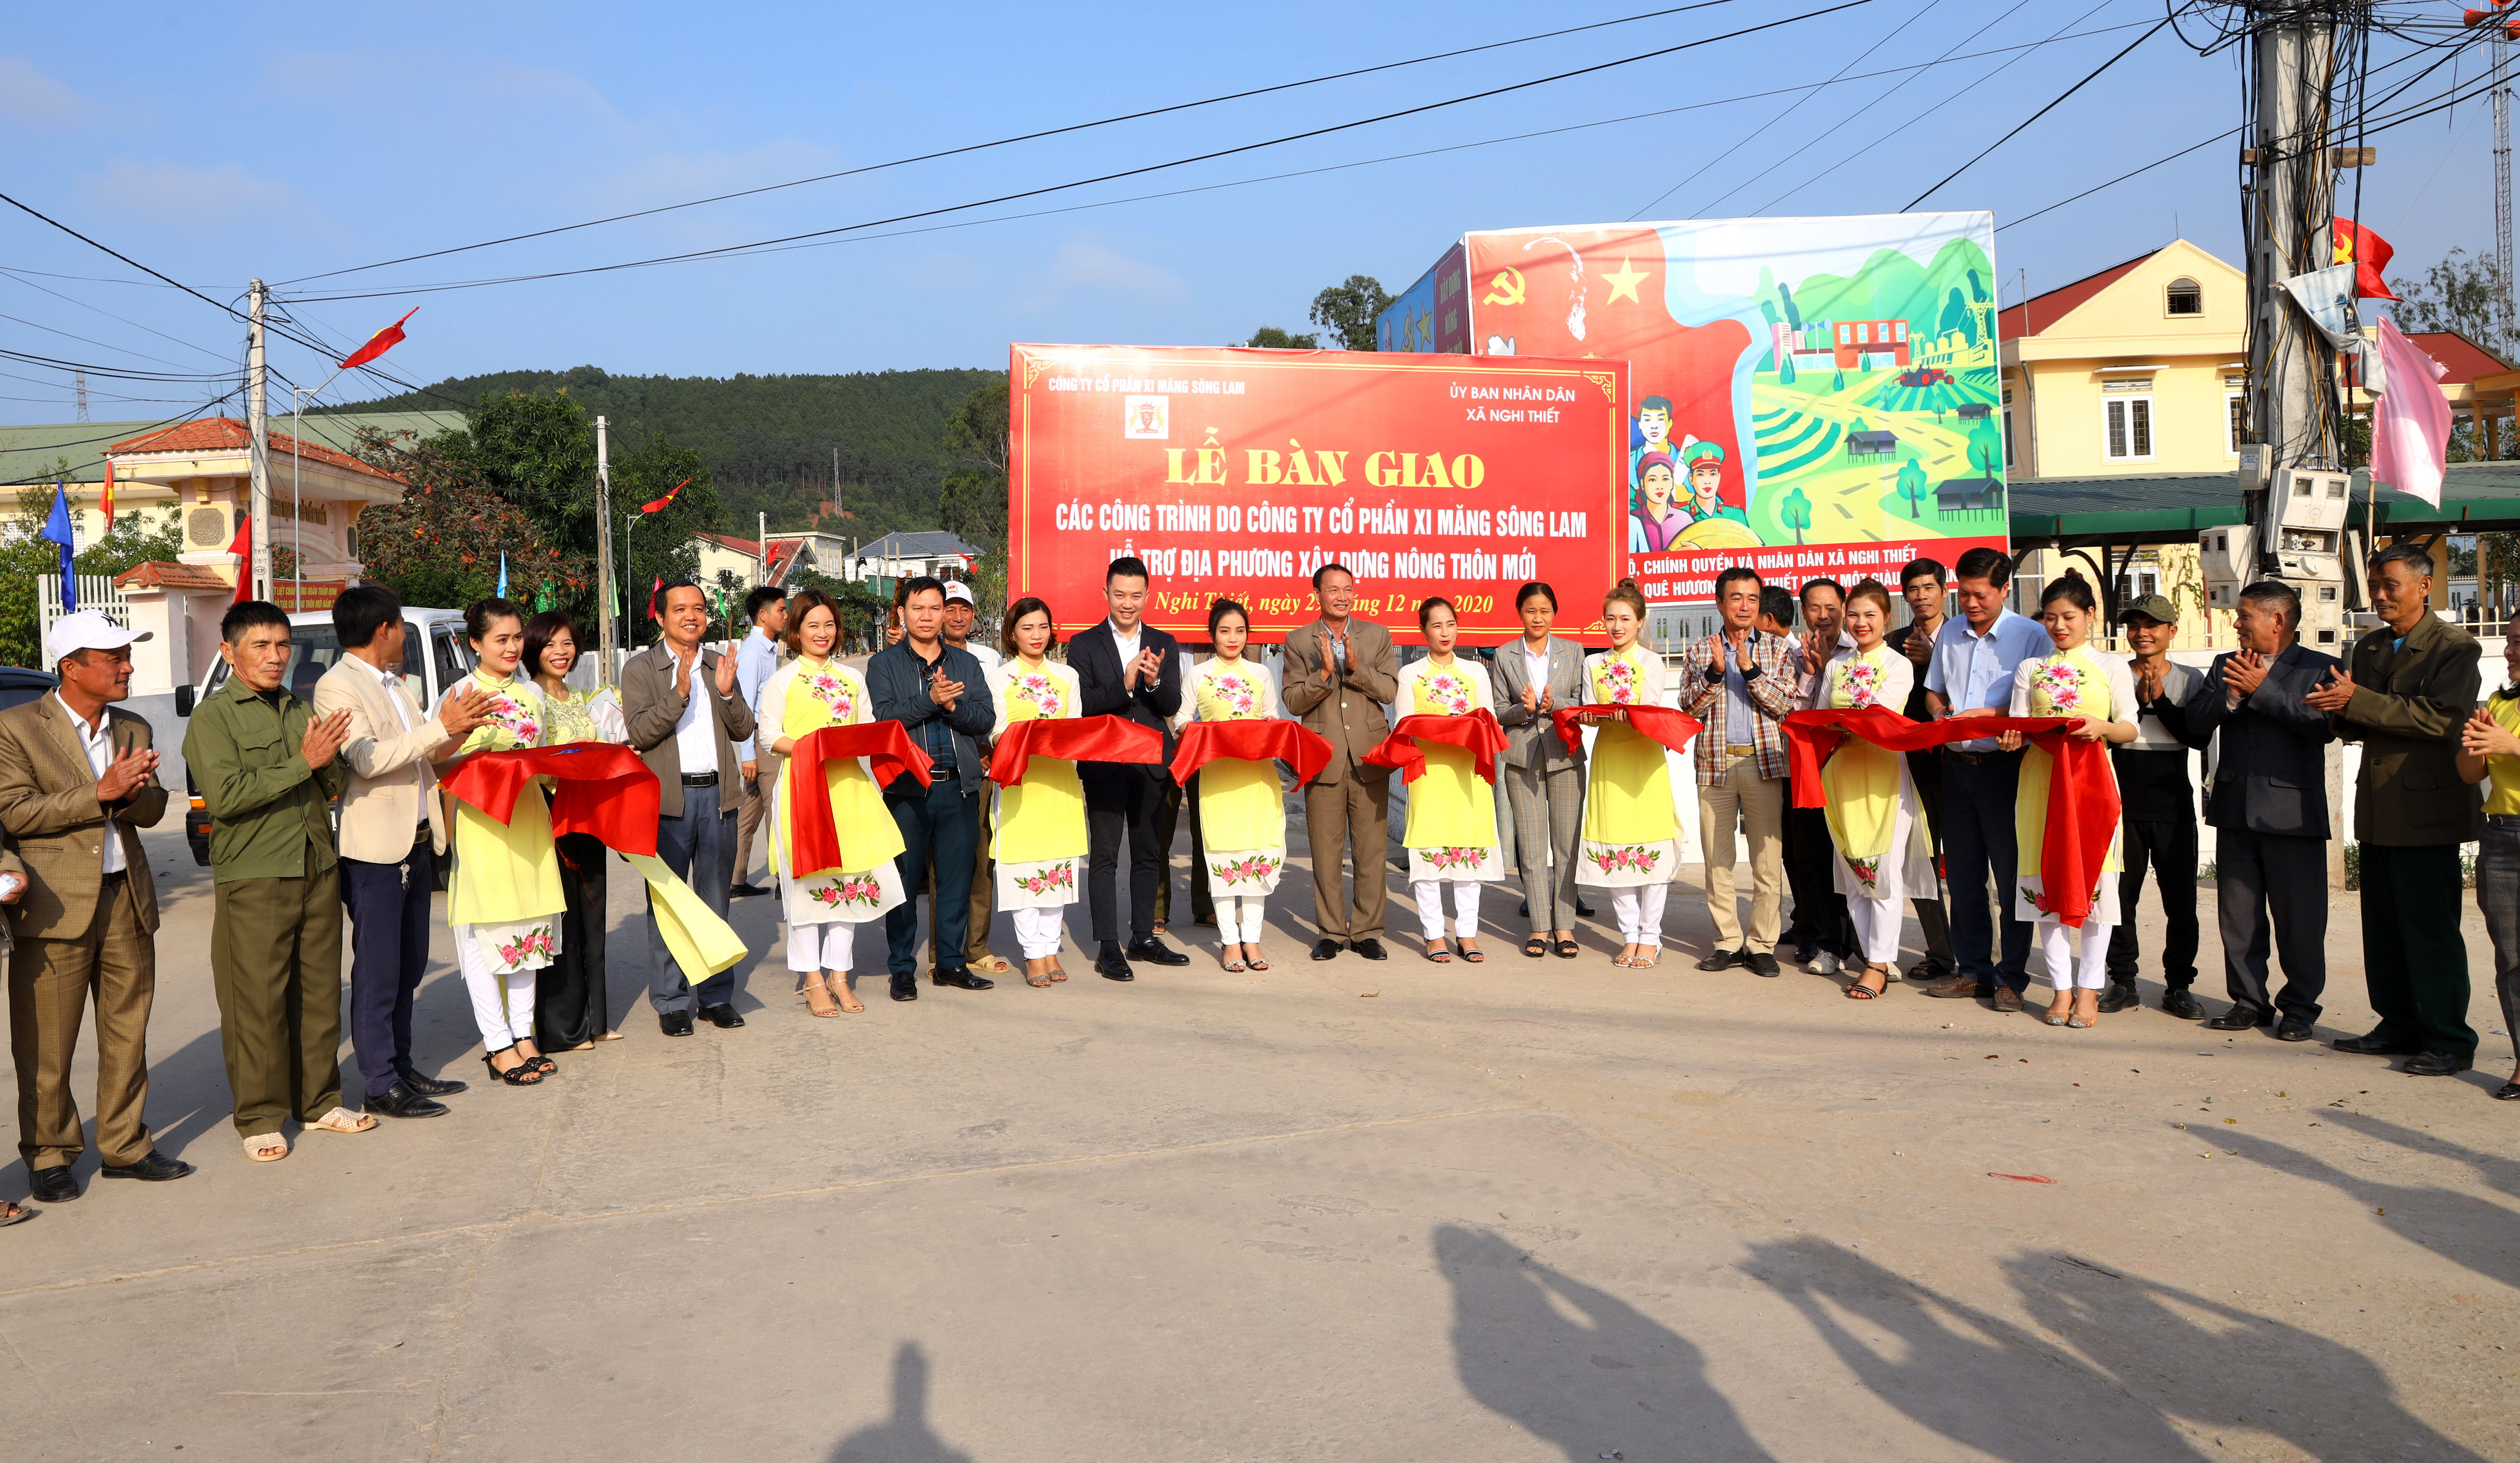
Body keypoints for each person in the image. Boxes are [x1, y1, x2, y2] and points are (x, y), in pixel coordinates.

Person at [0, 610, 190, 1199]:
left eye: (126, 657)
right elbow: (16, 811)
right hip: (54, 906)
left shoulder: (133, 726)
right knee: (47, 1043)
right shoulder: (17, 728)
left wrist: (134, 795)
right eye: (114, 660)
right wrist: (100, 793)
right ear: (71, 668)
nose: (128, 668)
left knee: (127, 1032)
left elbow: (154, 810)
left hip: (124, 897)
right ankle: (50, 1154)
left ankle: (126, 1145)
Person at [184, 600, 374, 1162]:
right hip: (256, 874)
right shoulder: (213, 718)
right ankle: (260, 1117)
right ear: (229, 652)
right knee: (256, 1002)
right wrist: (306, 763)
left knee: (317, 996)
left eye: (282, 645)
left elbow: (329, 783)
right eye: (260, 646)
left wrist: (332, 758)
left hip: (316, 866)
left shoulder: (298, 709)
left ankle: (318, 1103)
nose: (275, 657)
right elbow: (226, 796)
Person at [314, 586, 491, 1120]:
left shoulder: (395, 684)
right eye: (398, 628)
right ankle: (379, 1081)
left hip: (415, 840)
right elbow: (366, 760)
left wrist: (458, 736)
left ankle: (402, 1064)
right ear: (383, 629)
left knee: (409, 964)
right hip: (373, 853)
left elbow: (418, 759)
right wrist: (444, 726)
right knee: (377, 971)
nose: (403, 641)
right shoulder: (336, 686)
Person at [2311, 542, 2485, 1076]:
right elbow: (2365, 720)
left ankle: (2449, 1039)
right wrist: (2336, 710)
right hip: (2380, 808)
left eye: (2391, 585)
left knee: (2430, 930)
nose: (2381, 595)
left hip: (2428, 810)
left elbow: (2441, 720)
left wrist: (2356, 702)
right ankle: (2398, 1022)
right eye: (2375, 585)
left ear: (2425, 586)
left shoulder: (2454, 649)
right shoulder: (2369, 648)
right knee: (2382, 928)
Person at [2178, 582, 2337, 1039]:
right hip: (2234, 809)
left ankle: (2301, 1008)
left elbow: (2321, 727)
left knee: (2300, 919)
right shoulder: (2224, 665)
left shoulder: (2321, 667)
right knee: (2239, 917)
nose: (2236, 623)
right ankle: (2249, 1001)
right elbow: (2195, 724)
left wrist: (2263, 689)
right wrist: (2231, 698)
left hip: (2294, 812)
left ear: (2278, 621)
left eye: (2244, 615)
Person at [429, 599, 567, 1086]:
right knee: (485, 935)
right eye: (500, 640)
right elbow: (436, 761)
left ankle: (524, 1034)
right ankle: (497, 1044)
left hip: (529, 821)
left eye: (516, 638)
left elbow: (544, 757)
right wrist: (481, 749)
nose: (512, 648)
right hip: (483, 825)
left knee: (531, 929)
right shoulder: (460, 694)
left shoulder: (532, 694)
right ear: (475, 643)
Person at [1990, 575, 2139, 1028]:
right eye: (2050, 617)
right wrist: (2011, 740)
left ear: (2090, 616)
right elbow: (2019, 725)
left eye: (2069, 617)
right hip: (2040, 785)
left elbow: (2130, 728)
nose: (2059, 626)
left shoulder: (2112, 666)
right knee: (2044, 890)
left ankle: (2090, 991)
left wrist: (2102, 726)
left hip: (2092, 786)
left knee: (2097, 890)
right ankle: (2060, 990)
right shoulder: (2029, 668)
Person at [758, 587, 905, 1014]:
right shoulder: (782, 681)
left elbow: (866, 728)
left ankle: (840, 975)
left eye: (829, 625)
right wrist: (813, 748)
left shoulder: (852, 678)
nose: (822, 633)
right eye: (812, 625)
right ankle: (812, 980)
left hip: (850, 789)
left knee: (851, 884)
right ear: (796, 632)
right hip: (804, 788)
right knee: (808, 885)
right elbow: (769, 736)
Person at [1922, 546, 2054, 1012]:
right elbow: (1935, 692)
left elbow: (2042, 702)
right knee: (1962, 876)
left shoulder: (2032, 636)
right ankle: (1972, 970)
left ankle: (2011, 978)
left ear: (2004, 589)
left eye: (1981, 595)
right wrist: (1943, 715)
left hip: (2006, 771)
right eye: (1964, 594)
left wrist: (1987, 717)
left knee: (2012, 876)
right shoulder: (1952, 633)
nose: (1970, 604)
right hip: (1957, 770)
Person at [622, 580, 758, 1035]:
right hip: (668, 803)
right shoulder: (642, 668)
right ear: (660, 617)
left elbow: (744, 730)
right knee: (668, 904)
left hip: (719, 798)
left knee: (715, 901)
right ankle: (672, 1000)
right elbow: (640, 733)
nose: (691, 616)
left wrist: (724, 693)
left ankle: (716, 996)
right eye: (679, 609)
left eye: (698, 608)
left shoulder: (720, 664)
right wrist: (678, 695)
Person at [867, 576, 998, 1000]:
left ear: (946, 613)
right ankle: (902, 968)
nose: (927, 616)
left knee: (957, 880)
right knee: (904, 882)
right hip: (908, 789)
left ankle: (951, 963)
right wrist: (932, 699)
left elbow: (984, 720)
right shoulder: (884, 664)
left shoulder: (965, 665)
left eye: (935, 608)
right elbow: (886, 719)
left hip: (959, 788)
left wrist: (954, 705)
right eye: (918, 608)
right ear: (903, 614)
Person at [1806, 581, 1937, 999]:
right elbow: (1820, 716)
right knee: (1853, 873)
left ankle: (1881, 962)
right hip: (1841, 775)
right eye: (1855, 615)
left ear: (1887, 619)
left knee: (1882, 872)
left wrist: (1841, 724)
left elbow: (1882, 717)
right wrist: (1834, 726)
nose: (1861, 623)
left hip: (1883, 778)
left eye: (1871, 615)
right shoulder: (1836, 666)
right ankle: (1870, 957)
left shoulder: (1899, 666)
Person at [1068, 556, 1190, 980]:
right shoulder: (1083, 645)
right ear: (1105, 594)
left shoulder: (1163, 642)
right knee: (1104, 857)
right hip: (1105, 762)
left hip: (1152, 763)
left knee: (1147, 854)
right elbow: (1082, 706)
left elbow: (1172, 705)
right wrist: (1124, 684)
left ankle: (1143, 937)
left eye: (1136, 596)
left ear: (1147, 596)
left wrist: (1154, 682)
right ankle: (1108, 946)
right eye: (1119, 595)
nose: (1127, 603)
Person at [1679, 567, 1795, 976]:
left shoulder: (1778, 650)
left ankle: (1762, 945)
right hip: (1715, 762)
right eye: (1736, 598)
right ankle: (1728, 942)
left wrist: (1749, 669)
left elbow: (1784, 704)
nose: (1744, 606)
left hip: (1763, 761)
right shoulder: (1698, 650)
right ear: (1720, 603)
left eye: (1751, 599)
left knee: (1767, 860)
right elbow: (1689, 709)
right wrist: (1714, 673)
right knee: (1718, 859)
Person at [1282, 563, 1401, 962]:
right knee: (1326, 850)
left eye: (1348, 589)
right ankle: (1331, 932)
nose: (1342, 596)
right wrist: (1324, 675)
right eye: (1333, 589)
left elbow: (1388, 691)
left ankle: (1368, 931)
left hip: (1369, 756)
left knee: (1371, 851)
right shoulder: (1299, 640)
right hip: (1323, 755)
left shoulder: (1377, 635)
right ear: (1317, 594)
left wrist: (1354, 668)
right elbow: (1294, 701)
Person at [2102, 593, 2210, 1019]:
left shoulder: (2191, 678)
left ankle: (2179, 985)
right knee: (2119, 897)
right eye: (2134, 624)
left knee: (2181, 901)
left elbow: (2197, 735)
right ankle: (2122, 981)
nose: (2142, 632)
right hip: (2120, 800)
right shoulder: (2110, 674)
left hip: (2172, 802)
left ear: (2172, 631)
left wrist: (2159, 700)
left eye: (2153, 625)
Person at [523, 610, 628, 1048]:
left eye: (567, 643)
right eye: (551, 645)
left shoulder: (580, 698)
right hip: (550, 815)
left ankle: (597, 1020)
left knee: (594, 917)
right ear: (533, 649)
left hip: (587, 816)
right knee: (562, 921)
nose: (561, 652)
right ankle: (564, 1028)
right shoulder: (529, 698)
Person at [1574, 579, 1681, 968]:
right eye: (1610, 619)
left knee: (1649, 849)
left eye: (1624, 619)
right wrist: (1588, 717)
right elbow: (1591, 714)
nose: (1616, 626)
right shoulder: (1592, 663)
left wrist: (1628, 712)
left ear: (1639, 621)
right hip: (1608, 762)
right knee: (1615, 850)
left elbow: (1651, 710)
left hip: (1644, 761)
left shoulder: (1652, 661)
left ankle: (1651, 938)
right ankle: (1630, 936)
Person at [1175, 599, 1287, 972]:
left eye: (1240, 631)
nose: (1233, 638)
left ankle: (1252, 941)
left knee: (1257, 858)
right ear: (1212, 635)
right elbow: (1180, 722)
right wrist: (1207, 736)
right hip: (1218, 781)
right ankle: (1230, 942)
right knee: (1223, 860)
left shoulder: (1261, 674)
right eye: (1225, 631)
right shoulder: (1198, 674)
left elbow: (1272, 719)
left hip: (1257, 779)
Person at [987, 596, 1086, 988]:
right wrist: (1027, 737)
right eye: (1027, 628)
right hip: (1019, 782)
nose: (1036, 635)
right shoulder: (999, 678)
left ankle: (1050, 947)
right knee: (1023, 868)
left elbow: (1076, 729)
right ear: (1012, 633)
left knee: (1056, 869)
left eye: (1042, 627)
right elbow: (996, 732)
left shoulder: (1068, 677)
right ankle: (1032, 955)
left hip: (1058, 783)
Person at [1394, 597, 1500, 963]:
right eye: (1437, 625)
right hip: (1429, 773)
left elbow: (1489, 724)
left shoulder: (1476, 672)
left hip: (1468, 774)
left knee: (1468, 855)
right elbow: (1404, 726)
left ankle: (1467, 934)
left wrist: (1464, 730)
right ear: (1423, 631)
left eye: (1451, 624)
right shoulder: (1410, 674)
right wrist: (1447, 729)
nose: (1445, 632)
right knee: (1428, 856)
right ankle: (1434, 935)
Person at [1492, 581, 1587, 959]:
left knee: (1566, 846)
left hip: (1565, 756)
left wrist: (1554, 703)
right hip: (1522, 760)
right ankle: (1538, 927)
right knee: (1531, 849)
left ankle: (1564, 926)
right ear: (1520, 613)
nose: (1538, 617)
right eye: (1531, 610)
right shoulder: (1504, 655)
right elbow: (1499, 711)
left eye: (1545, 610)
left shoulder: (1574, 651)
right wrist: (1524, 709)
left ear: (1554, 613)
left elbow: (1582, 700)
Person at [2454, 609, 2520, 1101]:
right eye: (2512, 641)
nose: (2513, 650)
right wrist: (2476, 744)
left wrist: (2510, 745)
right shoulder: (2499, 701)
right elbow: (2469, 775)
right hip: (2501, 838)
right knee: (2512, 959)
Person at [934, 581, 1013, 978]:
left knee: (983, 860)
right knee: (943, 866)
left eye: (964, 608)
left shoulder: (988, 657)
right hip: (941, 768)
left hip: (982, 766)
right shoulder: (928, 656)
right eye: (950, 609)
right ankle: (938, 951)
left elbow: (994, 712)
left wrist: (989, 748)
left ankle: (976, 946)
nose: (958, 616)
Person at [1884, 558, 1955, 984]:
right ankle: (1940, 954)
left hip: (1962, 765)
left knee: (1968, 866)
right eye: (1913, 589)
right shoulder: (1893, 643)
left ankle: (1984, 956)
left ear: (1944, 590)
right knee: (1920, 864)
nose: (1922, 596)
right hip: (1912, 769)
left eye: (1929, 587)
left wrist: (1933, 661)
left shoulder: (1965, 638)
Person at [1786, 578, 1855, 974]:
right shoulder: (1794, 655)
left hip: (1857, 771)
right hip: (1814, 769)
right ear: (1803, 610)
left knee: (1858, 858)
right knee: (1819, 862)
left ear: (1843, 607)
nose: (1823, 616)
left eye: (1831, 607)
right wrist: (1812, 671)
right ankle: (1829, 945)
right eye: (1814, 608)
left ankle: (1868, 949)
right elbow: (1796, 712)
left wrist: (1829, 668)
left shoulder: (1860, 650)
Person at [728, 586, 789, 899]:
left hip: (759, 747)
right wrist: (749, 754)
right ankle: (783, 880)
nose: (786, 614)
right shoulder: (753, 652)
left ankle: (735, 878)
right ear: (763, 615)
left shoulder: (766, 647)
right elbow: (746, 707)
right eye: (781, 609)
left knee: (749, 815)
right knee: (776, 809)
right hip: (762, 745)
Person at [1629, 454, 1687, 553]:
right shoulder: (1633, 521)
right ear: (1643, 484)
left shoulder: (1685, 519)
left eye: (1665, 479)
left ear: (1672, 482)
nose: (1659, 486)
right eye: (1652, 480)